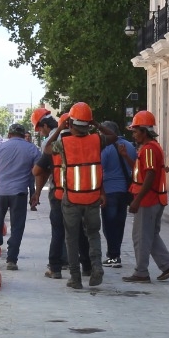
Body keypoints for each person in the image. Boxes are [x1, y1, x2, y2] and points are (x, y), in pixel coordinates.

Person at [47, 102, 106, 289]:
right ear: (89, 123)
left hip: (71, 198)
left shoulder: (63, 143)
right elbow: (113, 137)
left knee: (71, 238)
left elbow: (47, 148)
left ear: (70, 124)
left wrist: (58, 129)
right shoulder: (97, 139)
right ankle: (96, 266)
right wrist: (97, 125)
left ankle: (75, 277)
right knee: (94, 234)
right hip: (92, 197)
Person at [125, 110, 169, 283]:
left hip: (148, 200)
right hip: (155, 198)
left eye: (135, 131)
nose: (134, 135)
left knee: (141, 237)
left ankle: (141, 272)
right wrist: (125, 156)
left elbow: (149, 175)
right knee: (150, 235)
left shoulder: (148, 149)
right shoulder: (153, 147)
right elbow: (142, 170)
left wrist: (137, 200)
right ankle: (168, 265)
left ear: (144, 131)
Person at [29, 114, 88, 278]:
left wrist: (37, 192)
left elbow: (38, 170)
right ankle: (87, 266)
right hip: (81, 192)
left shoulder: (57, 143)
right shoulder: (89, 142)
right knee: (81, 231)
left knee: (59, 230)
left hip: (60, 193)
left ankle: (55, 268)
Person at [0, 123, 41, 270]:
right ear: (23, 135)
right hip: (19, 193)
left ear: (9, 135)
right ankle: (11, 260)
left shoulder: (0, 148)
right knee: (17, 227)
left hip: (1, 193)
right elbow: (38, 172)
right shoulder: (32, 149)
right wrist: (36, 192)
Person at [97, 119, 138, 267]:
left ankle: (113, 256)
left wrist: (100, 192)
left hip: (109, 191)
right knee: (119, 225)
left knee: (109, 225)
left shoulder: (105, 148)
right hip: (125, 192)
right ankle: (116, 253)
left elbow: (99, 171)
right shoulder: (130, 146)